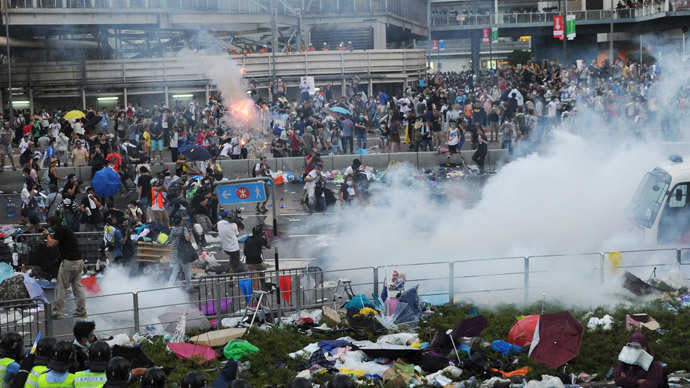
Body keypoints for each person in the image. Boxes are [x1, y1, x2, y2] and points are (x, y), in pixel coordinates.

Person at [45, 216, 87, 319]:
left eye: (50, 226)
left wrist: (47, 235)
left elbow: (52, 243)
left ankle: (58, 312)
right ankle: (81, 311)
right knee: (77, 287)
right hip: (79, 261)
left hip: (69, 262)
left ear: (54, 224)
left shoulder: (60, 230)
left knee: (61, 287)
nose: (50, 228)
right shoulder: (66, 229)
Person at [167, 217, 193, 293]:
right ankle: (188, 288)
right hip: (183, 253)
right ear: (181, 222)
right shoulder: (183, 229)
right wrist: (189, 234)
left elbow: (170, 240)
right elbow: (187, 238)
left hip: (174, 254)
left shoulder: (172, 230)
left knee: (175, 271)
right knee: (187, 270)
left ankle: (169, 287)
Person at [243, 225, 271, 291]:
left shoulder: (248, 239)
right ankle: (263, 287)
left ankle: (257, 293)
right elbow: (269, 246)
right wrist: (266, 236)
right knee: (262, 271)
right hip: (258, 261)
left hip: (248, 262)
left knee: (255, 278)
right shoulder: (260, 239)